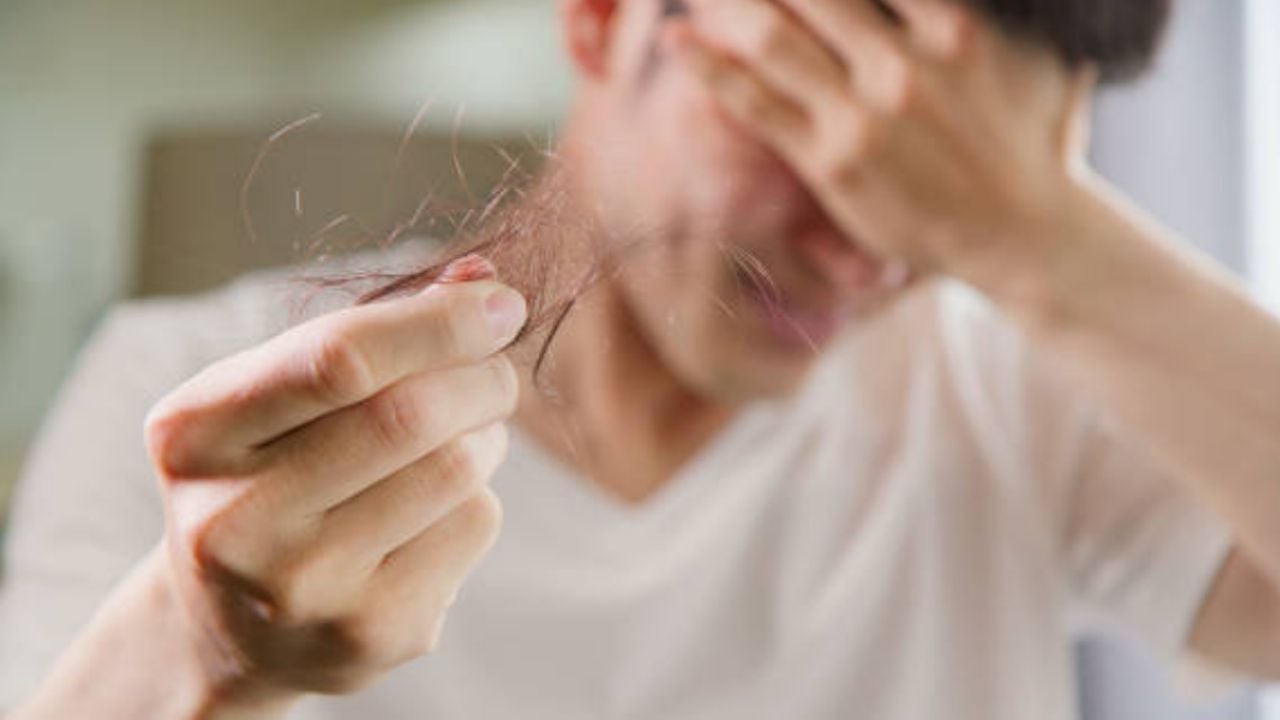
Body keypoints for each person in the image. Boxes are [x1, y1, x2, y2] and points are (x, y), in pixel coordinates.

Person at [4, 0, 1280, 717]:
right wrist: (207, 652)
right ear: (606, 22)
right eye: (825, 123)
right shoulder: (179, 394)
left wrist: (1043, 247)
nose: (868, 252)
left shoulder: (1021, 403)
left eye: (954, 184)